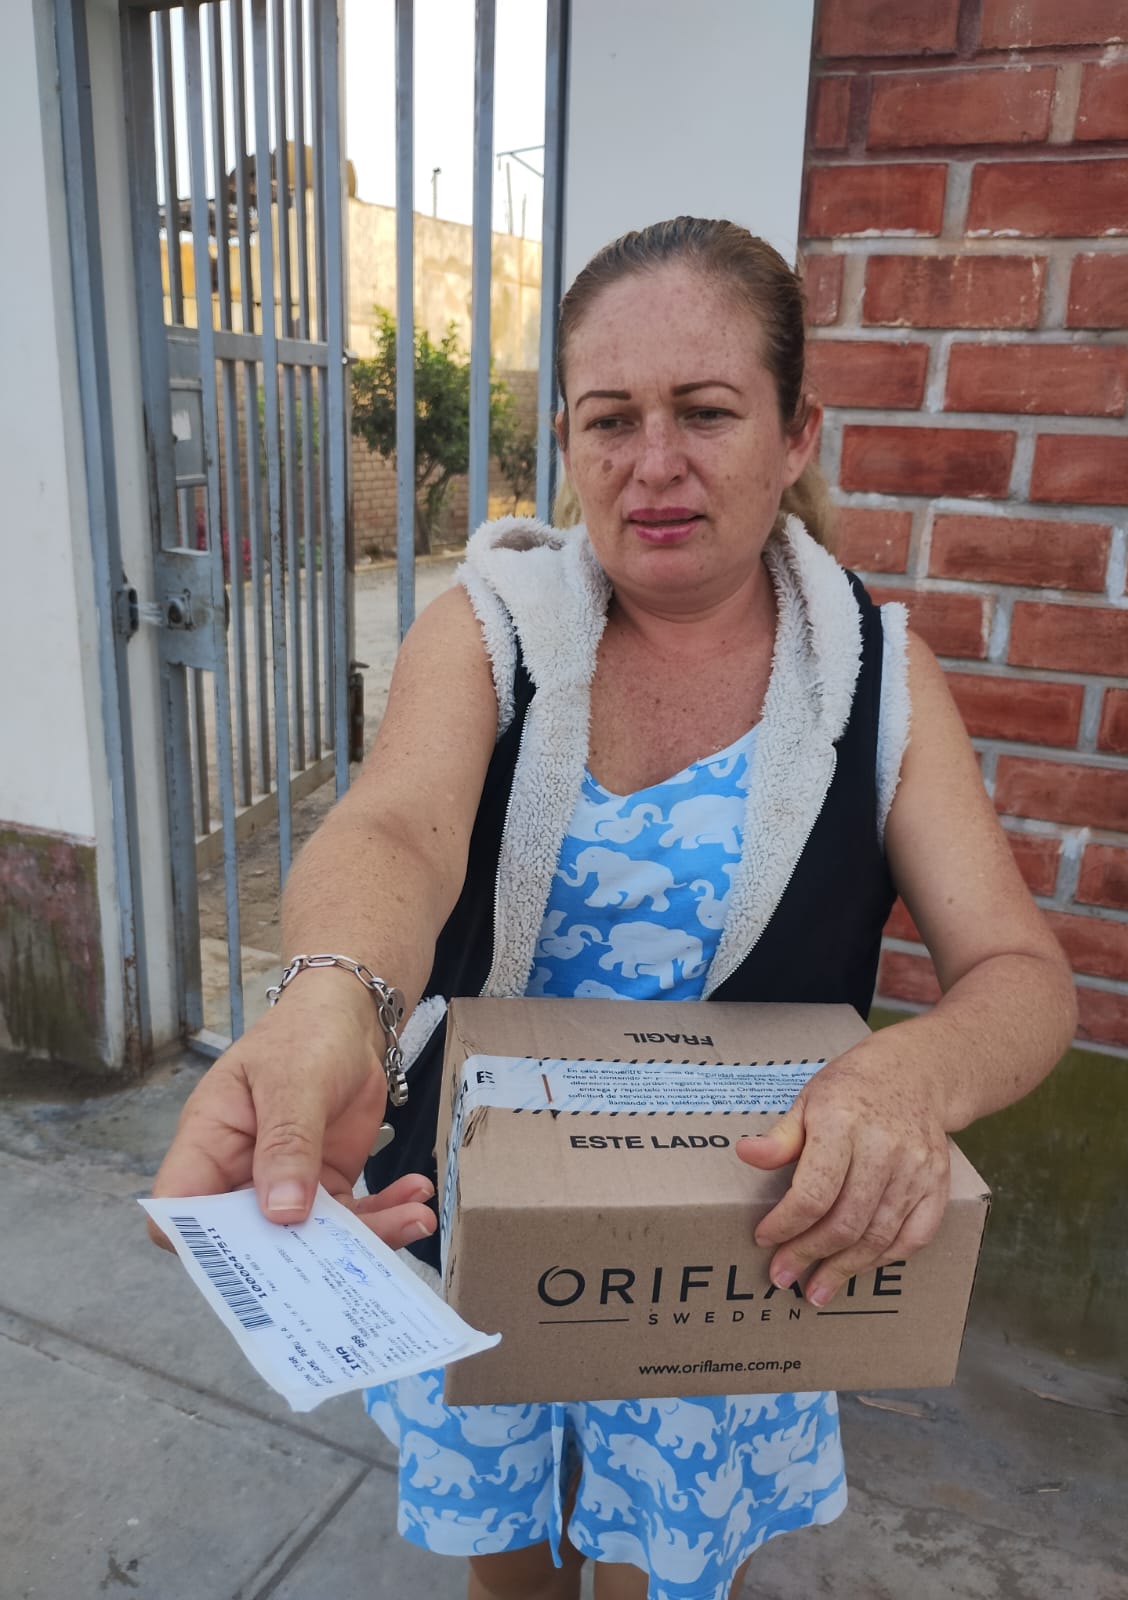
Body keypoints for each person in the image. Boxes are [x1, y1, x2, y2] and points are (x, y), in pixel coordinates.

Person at [150, 217, 1077, 1600]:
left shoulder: (879, 682)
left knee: (666, 1572)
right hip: (481, 1214)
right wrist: (331, 997)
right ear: (567, 441)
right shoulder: (491, 630)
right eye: (610, 419)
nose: (654, 464)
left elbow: (1019, 971)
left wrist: (910, 1078)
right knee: (512, 1565)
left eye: (706, 411)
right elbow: (395, 826)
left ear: (797, 434)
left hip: (730, 1251)